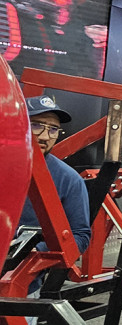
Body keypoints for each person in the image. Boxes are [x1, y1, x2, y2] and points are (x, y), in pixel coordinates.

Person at [18, 96, 91, 254]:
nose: (45, 137)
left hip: (27, 267)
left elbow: (80, 236)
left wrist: (34, 251)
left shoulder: (70, 180)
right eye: (36, 125)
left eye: (53, 129)